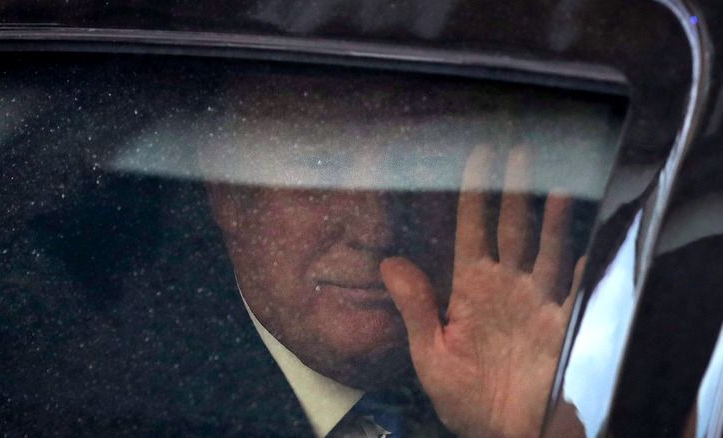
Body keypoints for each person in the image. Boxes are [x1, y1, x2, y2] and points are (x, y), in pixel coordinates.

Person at [201, 71, 586, 438]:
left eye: (423, 163)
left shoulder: (554, 369)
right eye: (319, 166)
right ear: (227, 192)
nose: (378, 230)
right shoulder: (149, 380)